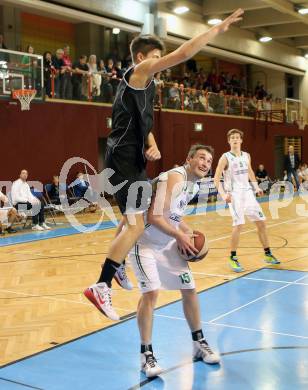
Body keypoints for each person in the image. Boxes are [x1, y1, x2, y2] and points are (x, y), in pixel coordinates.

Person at [84, 9, 244, 321]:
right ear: (142, 56)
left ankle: (116, 269)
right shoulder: (140, 71)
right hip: (123, 159)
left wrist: (151, 141)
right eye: (157, 55)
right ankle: (101, 284)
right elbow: (185, 52)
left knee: (138, 216)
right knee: (136, 223)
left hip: (131, 158)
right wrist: (217, 28)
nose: (161, 59)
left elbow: (139, 120)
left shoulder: (148, 85)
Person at [128, 144, 220, 377]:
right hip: (143, 242)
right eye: (201, 158)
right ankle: (146, 355)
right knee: (151, 293)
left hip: (165, 242)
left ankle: (199, 342)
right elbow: (153, 216)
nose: (205, 164)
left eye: (209, 161)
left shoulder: (192, 184)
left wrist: (186, 231)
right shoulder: (176, 176)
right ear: (188, 159)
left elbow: (174, 217)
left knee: (189, 288)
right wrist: (179, 235)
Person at [214, 129, 280, 272]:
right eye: (232, 138)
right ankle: (233, 257)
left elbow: (250, 171)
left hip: (248, 193)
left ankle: (268, 254)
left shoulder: (246, 156)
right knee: (239, 225)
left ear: (241, 140)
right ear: (229, 141)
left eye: (237, 137)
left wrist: (256, 187)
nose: (235, 140)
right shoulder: (225, 157)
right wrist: (223, 194)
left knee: (261, 223)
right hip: (234, 195)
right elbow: (216, 178)